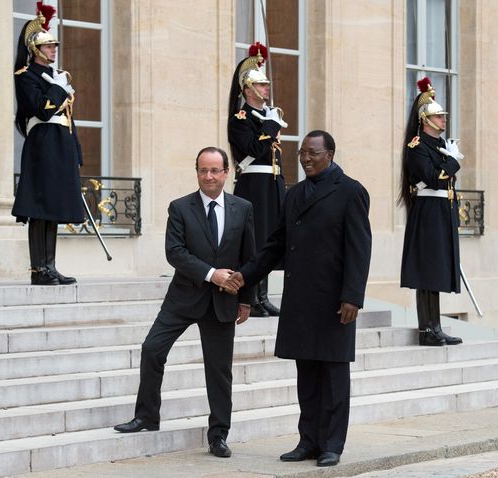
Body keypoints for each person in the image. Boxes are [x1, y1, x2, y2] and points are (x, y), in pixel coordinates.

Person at [226, 130, 372, 467]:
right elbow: (275, 245)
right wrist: (245, 274)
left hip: (336, 301)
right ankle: (308, 441)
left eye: (313, 153)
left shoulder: (351, 191)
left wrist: (353, 296)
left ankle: (332, 444)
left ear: (330, 154)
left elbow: (360, 248)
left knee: (334, 376)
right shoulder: (294, 195)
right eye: (302, 153)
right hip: (301, 299)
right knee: (306, 375)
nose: (306, 158)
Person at [114, 147, 256, 459]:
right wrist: (211, 274)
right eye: (203, 170)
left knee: (219, 371)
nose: (209, 176)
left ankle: (218, 435)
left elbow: (250, 257)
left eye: (215, 170)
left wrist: (247, 300)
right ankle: (147, 417)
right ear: (197, 172)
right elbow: (175, 252)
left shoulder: (242, 208)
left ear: (226, 173)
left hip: (223, 303)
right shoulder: (180, 207)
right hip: (183, 297)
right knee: (152, 349)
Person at [12, 3, 83, 285]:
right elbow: (43, 109)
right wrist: (59, 87)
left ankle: (50, 267)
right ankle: (38, 270)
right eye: (49, 46)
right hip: (42, 146)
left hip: (60, 146)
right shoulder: (26, 77)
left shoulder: (55, 76)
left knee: (52, 208)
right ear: (35, 49)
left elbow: (68, 118)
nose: (54, 50)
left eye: (54, 46)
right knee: (39, 209)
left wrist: (75, 151)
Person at [398, 77, 463, 346]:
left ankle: (435, 325)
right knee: (427, 271)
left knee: (436, 271)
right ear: (425, 118)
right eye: (438, 116)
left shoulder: (439, 145)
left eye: (443, 115)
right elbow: (434, 178)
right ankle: (426, 329)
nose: (443, 119)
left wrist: (448, 159)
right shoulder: (417, 146)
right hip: (427, 211)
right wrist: (453, 162)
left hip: (441, 211)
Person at [227, 42, 286, 317]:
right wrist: (271, 125)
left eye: (266, 85)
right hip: (253, 185)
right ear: (248, 90)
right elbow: (254, 149)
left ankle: (263, 297)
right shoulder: (240, 119)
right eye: (261, 85)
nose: (267, 89)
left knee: (271, 240)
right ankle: (251, 297)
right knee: (256, 241)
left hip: (272, 184)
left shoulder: (266, 116)